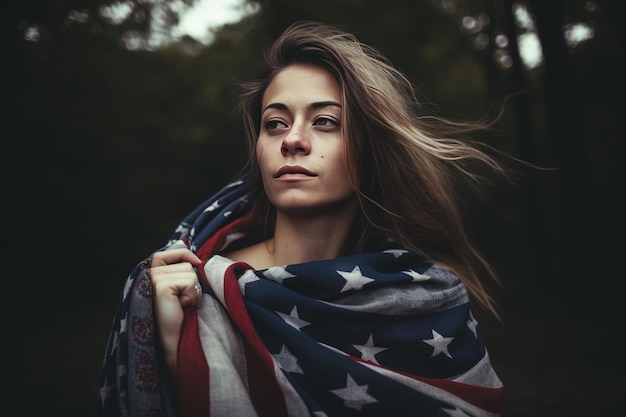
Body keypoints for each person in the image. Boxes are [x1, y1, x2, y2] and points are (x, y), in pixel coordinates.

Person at [99, 21, 505, 417]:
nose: (292, 139)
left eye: (325, 121)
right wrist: (177, 345)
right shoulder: (187, 287)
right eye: (274, 123)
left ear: (370, 148)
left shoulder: (428, 300)